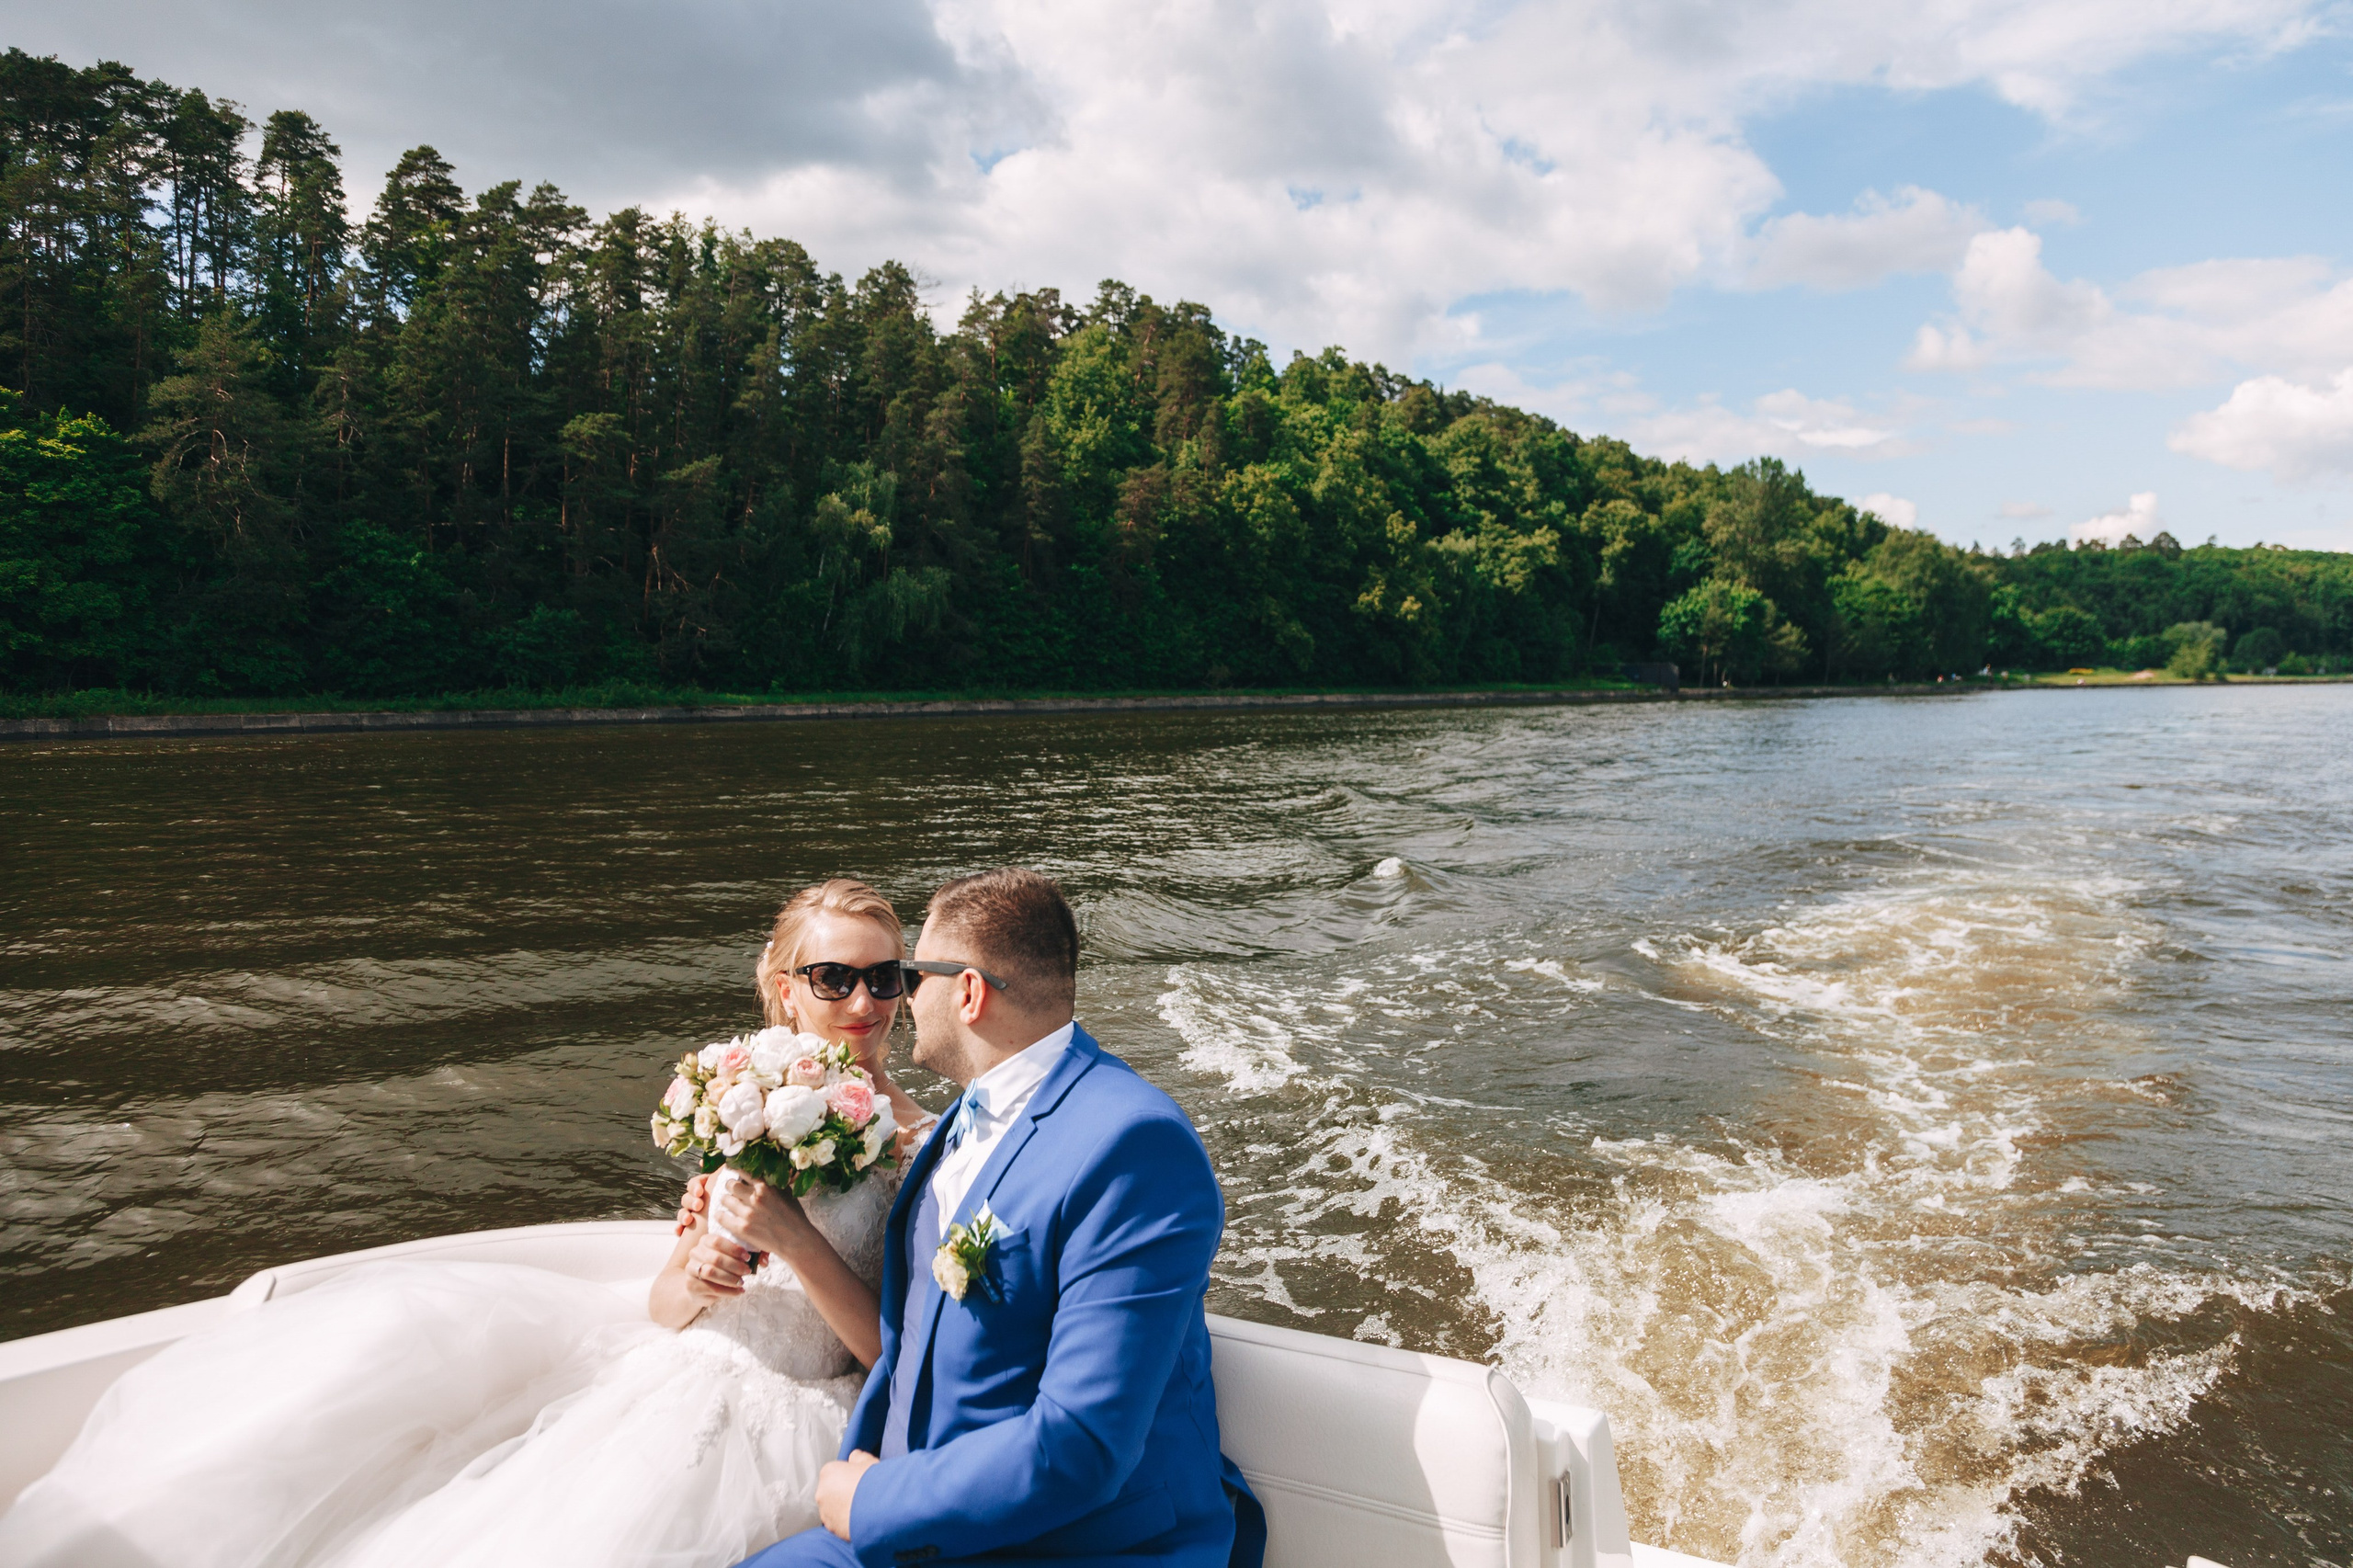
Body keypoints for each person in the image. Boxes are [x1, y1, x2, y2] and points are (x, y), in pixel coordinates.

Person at [0, 878, 932, 1568]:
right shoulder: (746, 1104)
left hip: (800, 1415)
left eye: (886, 977)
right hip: (671, 1375)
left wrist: (795, 1241)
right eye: (834, 977)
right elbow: (665, 1306)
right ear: (783, 986)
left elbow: (897, 1352)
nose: (865, 1003)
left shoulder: (925, 1144)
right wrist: (698, 1272)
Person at [736, 867, 1264, 1568]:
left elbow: (1083, 1444)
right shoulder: (964, 1119)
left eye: (912, 976)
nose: (901, 997)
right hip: (917, 1521)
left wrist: (877, 1501)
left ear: (969, 993)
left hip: (1077, 1547)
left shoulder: (1134, 1146)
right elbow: (913, 1342)